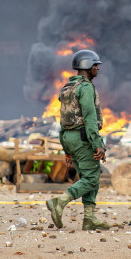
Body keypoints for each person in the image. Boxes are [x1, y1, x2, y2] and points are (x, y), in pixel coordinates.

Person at [45, 49, 110, 231]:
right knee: (91, 178)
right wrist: (98, 145)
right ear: (87, 66)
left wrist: (66, 149)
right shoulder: (86, 87)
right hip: (83, 138)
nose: (98, 68)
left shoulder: (67, 88)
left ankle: (89, 218)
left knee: (88, 177)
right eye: (95, 65)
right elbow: (90, 118)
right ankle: (60, 201)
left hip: (69, 138)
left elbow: (63, 120)